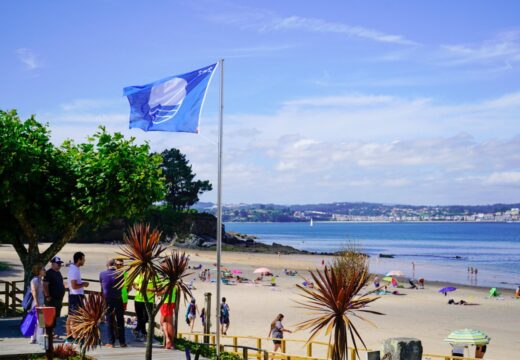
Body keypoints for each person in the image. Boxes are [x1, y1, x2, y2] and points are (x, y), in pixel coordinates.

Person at [99, 259, 126, 348]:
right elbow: (122, 286)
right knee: (120, 321)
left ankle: (111, 342)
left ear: (107, 265)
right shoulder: (121, 274)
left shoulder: (102, 274)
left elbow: (102, 288)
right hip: (118, 298)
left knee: (109, 320)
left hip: (108, 299)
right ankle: (122, 342)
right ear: (115, 265)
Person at [66, 252, 89, 343]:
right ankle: (75, 338)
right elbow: (74, 285)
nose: (84, 261)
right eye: (83, 259)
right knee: (74, 318)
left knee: (71, 317)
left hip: (74, 295)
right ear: (79, 260)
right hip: (75, 296)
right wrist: (84, 284)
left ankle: (69, 337)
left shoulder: (74, 269)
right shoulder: (74, 270)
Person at [43, 256, 66, 335]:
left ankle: (52, 333)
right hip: (51, 299)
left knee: (56, 317)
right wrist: (47, 296)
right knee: (50, 316)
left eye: (60, 264)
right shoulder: (49, 273)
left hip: (58, 299)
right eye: (58, 263)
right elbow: (45, 285)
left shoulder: (58, 273)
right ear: (52, 264)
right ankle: (48, 333)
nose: (59, 265)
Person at [158, 262, 177, 349]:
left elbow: (166, 290)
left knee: (163, 322)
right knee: (169, 322)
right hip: (171, 301)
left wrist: (158, 293)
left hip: (166, 301)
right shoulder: (173, 277)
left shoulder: (167, 278)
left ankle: (168, 339)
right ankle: (170, 344)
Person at [133, 273, 155, 341]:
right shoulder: (139, 275)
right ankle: (144, 333)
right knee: (140, 317)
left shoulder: (154, 277)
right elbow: (134, 284)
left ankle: (137, 329)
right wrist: (138, 288)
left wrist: (147, 289)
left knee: (146, 318)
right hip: (138, 299)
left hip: (149, 300)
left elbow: (157, 288)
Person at [29, 264, 46, 344]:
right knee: (38, 321)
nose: (45, 271)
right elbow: (33, 291)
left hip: (41, 303)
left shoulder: (40, 280)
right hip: (37, 303)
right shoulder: (35, 280)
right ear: (39, 271)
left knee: (40, 321)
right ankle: (35, 338)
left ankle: (37, 338)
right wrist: (36, 302)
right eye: (43, 269)